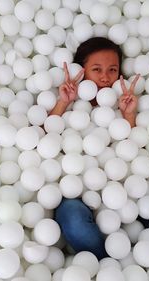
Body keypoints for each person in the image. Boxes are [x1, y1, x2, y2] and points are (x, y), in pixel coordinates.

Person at [49, 37, 140, 259]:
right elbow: (45, 141)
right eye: (96, 69)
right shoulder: (70, 106)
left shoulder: (121, 105)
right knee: (72, 218)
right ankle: (107, 265)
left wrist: (129, 115)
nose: (105, 77)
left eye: (112, 70)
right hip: (75, 189)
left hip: (117, 188)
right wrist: (63, 102)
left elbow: (132, 149)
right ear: (82, 70)